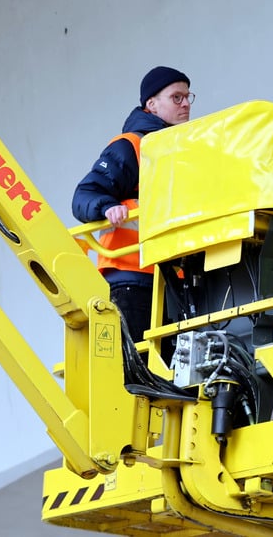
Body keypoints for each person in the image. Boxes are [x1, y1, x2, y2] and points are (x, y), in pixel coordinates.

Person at [72, 66, 193, 348]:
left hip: (174, 279)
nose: (185, 104)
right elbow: (84, 194)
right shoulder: (131, 146)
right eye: (176, 97)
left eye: (188, 97)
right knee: (137, 373)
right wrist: (107, 207)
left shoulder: (185, 152)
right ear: (151, 104)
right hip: (132, 278)